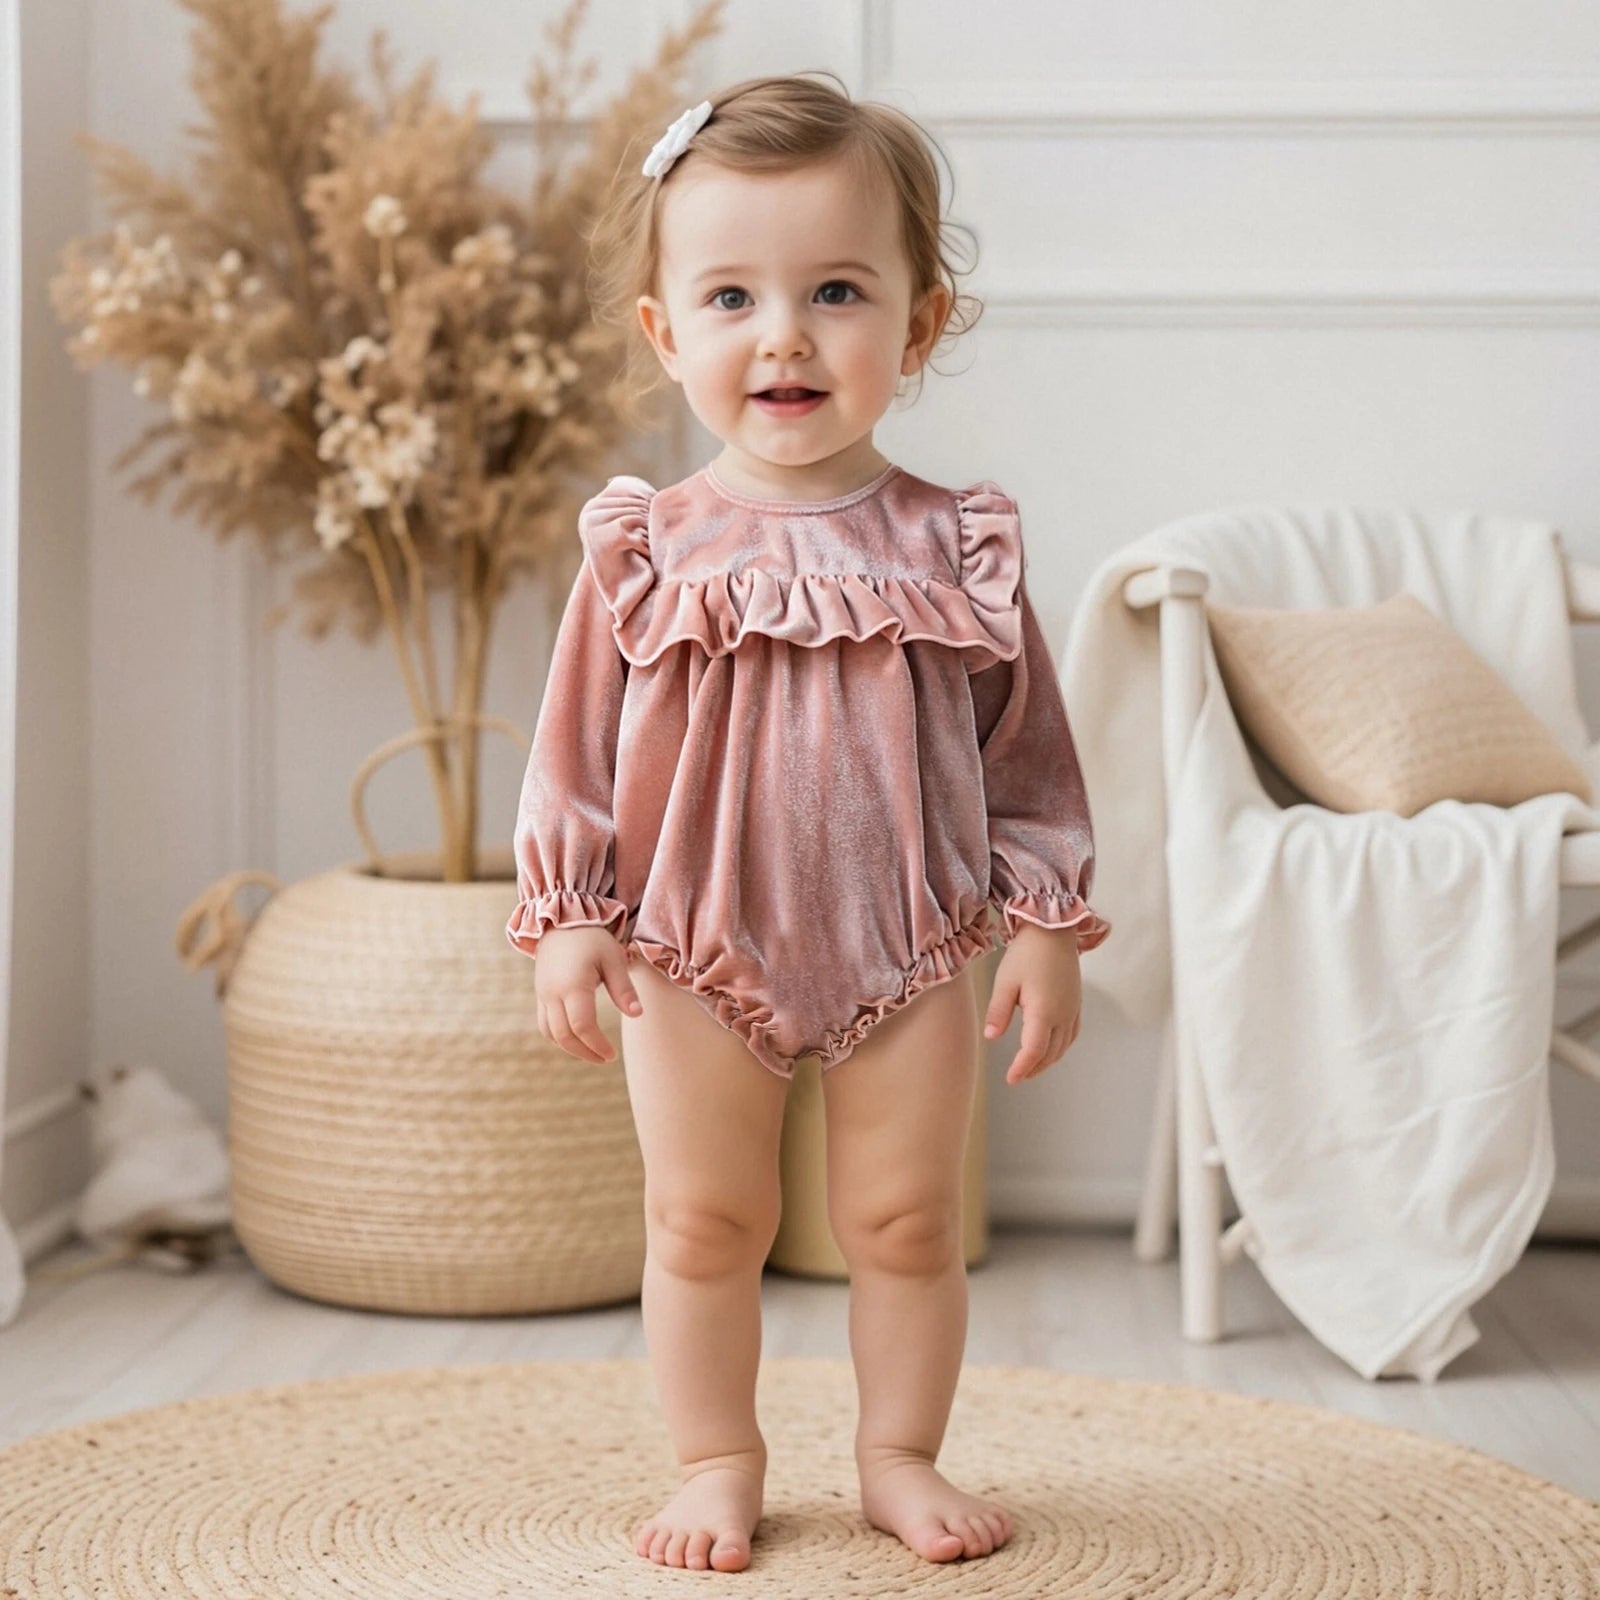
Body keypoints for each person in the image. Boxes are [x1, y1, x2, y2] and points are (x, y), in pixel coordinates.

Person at [506, 71, 1111, 1575]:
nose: (783, 334)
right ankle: (717, 1458)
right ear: (666, 331)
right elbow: (574, 748)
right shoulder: (645, 549)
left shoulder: (954, 544)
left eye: (836, 291)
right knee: (701, 1221)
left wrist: (1044, 924)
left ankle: (899, 1454)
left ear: (918, 325)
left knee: (904, 1222)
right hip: (691, 945)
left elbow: (1030, 757)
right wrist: (570, 912)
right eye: (732, 297)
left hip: (911, 940)